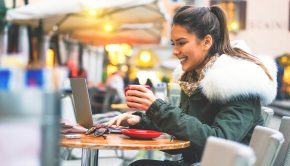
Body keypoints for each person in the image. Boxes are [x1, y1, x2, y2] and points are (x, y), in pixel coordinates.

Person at [105, 5, 277, 165]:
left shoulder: (239, 81)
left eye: (181, 42)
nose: (175, 51)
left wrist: (157, 108)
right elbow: (190, 131)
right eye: (174, 44)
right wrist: (141, 121)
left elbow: (218, 141)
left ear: (206, 42)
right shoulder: (193, 80)